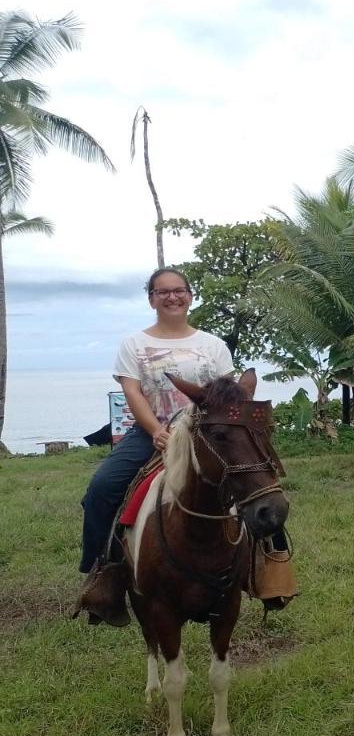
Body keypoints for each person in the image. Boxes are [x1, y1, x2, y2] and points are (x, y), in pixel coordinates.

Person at [76, 268, 236, 626]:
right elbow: (132, 391)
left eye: (179, 290)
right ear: (151, 299)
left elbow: (227, 396)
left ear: (190, 296)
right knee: (101, 489)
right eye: (162, 292)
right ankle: (102, 573)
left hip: (204, 435)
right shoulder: (134, 344)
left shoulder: (213, 346)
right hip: (149, 434)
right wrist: (156, 431)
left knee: (253, 485)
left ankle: (269, 569)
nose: (172, 297)